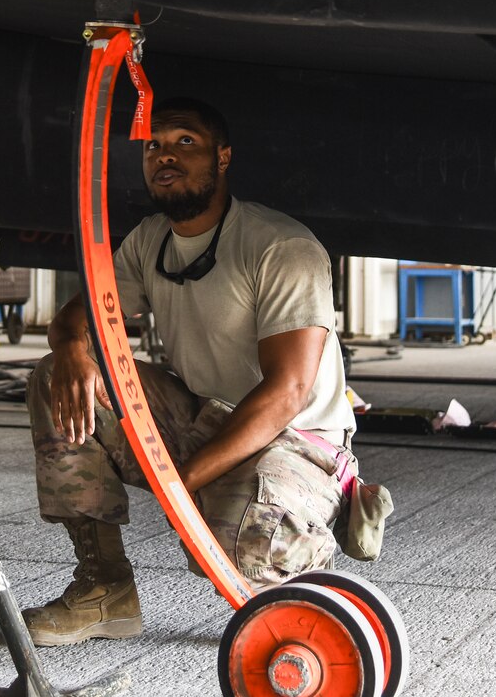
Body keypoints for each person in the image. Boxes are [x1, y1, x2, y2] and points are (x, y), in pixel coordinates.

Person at [22, 98, 389, 647]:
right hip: (201, 414)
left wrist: (183, 481)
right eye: (154, 146)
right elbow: (80, 318)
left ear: (222, 158)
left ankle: (307, 536)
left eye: (184, 142)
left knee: (242, 551)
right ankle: (104, 592)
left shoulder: (280, 246)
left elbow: (288, 392)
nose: (164, 156)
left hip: (294, 439)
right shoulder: (150, 240)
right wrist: (74, 345)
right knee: (57, 376)